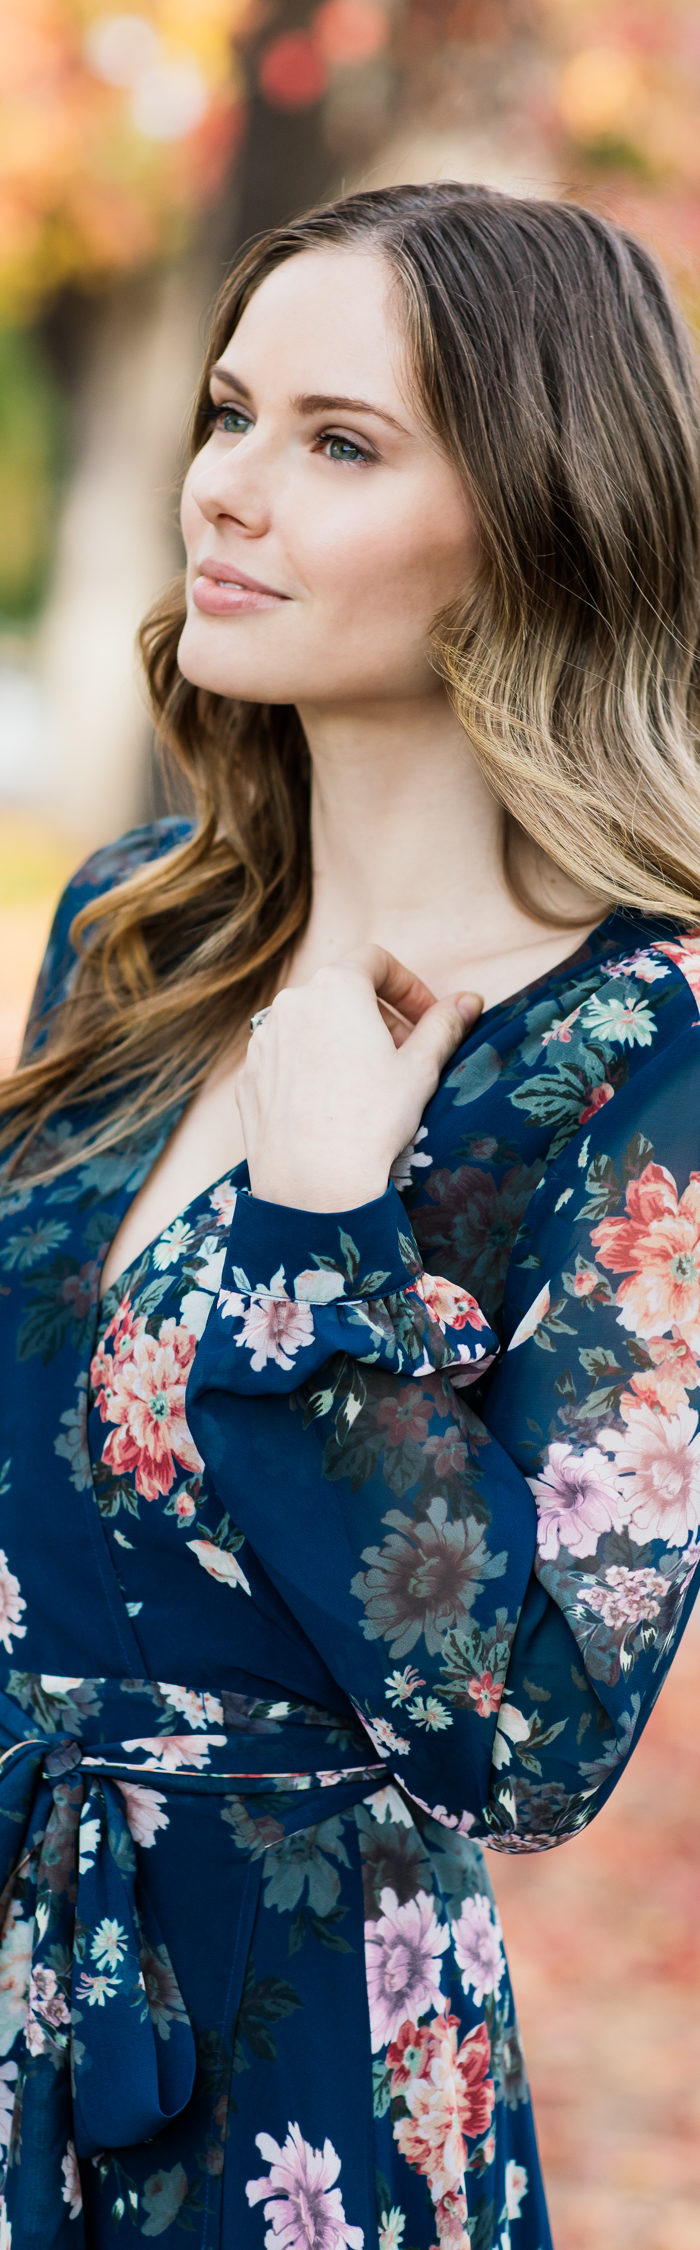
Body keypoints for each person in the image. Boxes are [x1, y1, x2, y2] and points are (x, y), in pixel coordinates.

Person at [1, 179, 699, 2250]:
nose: (226, 485)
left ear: (535, 526)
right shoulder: (135, 932)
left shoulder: (640, 1052)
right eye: (231, 413)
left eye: (339, 443)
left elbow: (535, 1735)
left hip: (303, 2092)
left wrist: (321, 1237)